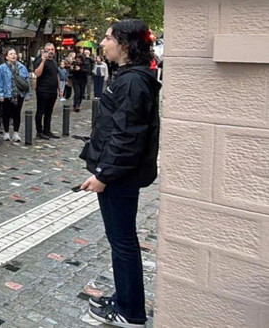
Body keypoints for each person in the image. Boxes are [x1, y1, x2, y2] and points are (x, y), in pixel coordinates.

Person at [80, 19, 160, 328]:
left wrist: (103, 175)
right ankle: (125, 299)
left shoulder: (132, 82)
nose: (102, 43)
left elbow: (127, 136)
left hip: (119, 177)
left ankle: (130, 311)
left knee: (123, 241)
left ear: (125, 44)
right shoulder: (129, 77)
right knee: (120, 240)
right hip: (118, 174)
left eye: (108, 38)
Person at [0, 48, 30, 142]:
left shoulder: (22, 67)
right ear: (6, 57)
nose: (14, 55)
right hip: (7, 94)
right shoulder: (1, 68)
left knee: (17, 113)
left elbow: (26, 81)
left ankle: (16, 132)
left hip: (19, 94)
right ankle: (6, 132)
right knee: (6, 113)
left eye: (15, 53)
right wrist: (0, 94)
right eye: (11, 54)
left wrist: (27, 93)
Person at [33, 43, 61, 140]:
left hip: (53, 91)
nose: (51, 51)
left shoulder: (54, 62)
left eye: (52, 49)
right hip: (43, 90)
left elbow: (56, 75)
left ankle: (47, 130)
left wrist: (60, 89)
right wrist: (43, 61)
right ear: (44, 51)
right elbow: (37, 73)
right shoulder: (40, 60)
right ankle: (39, 131)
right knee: (41, 111)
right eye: (48, 49)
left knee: (49, 112)